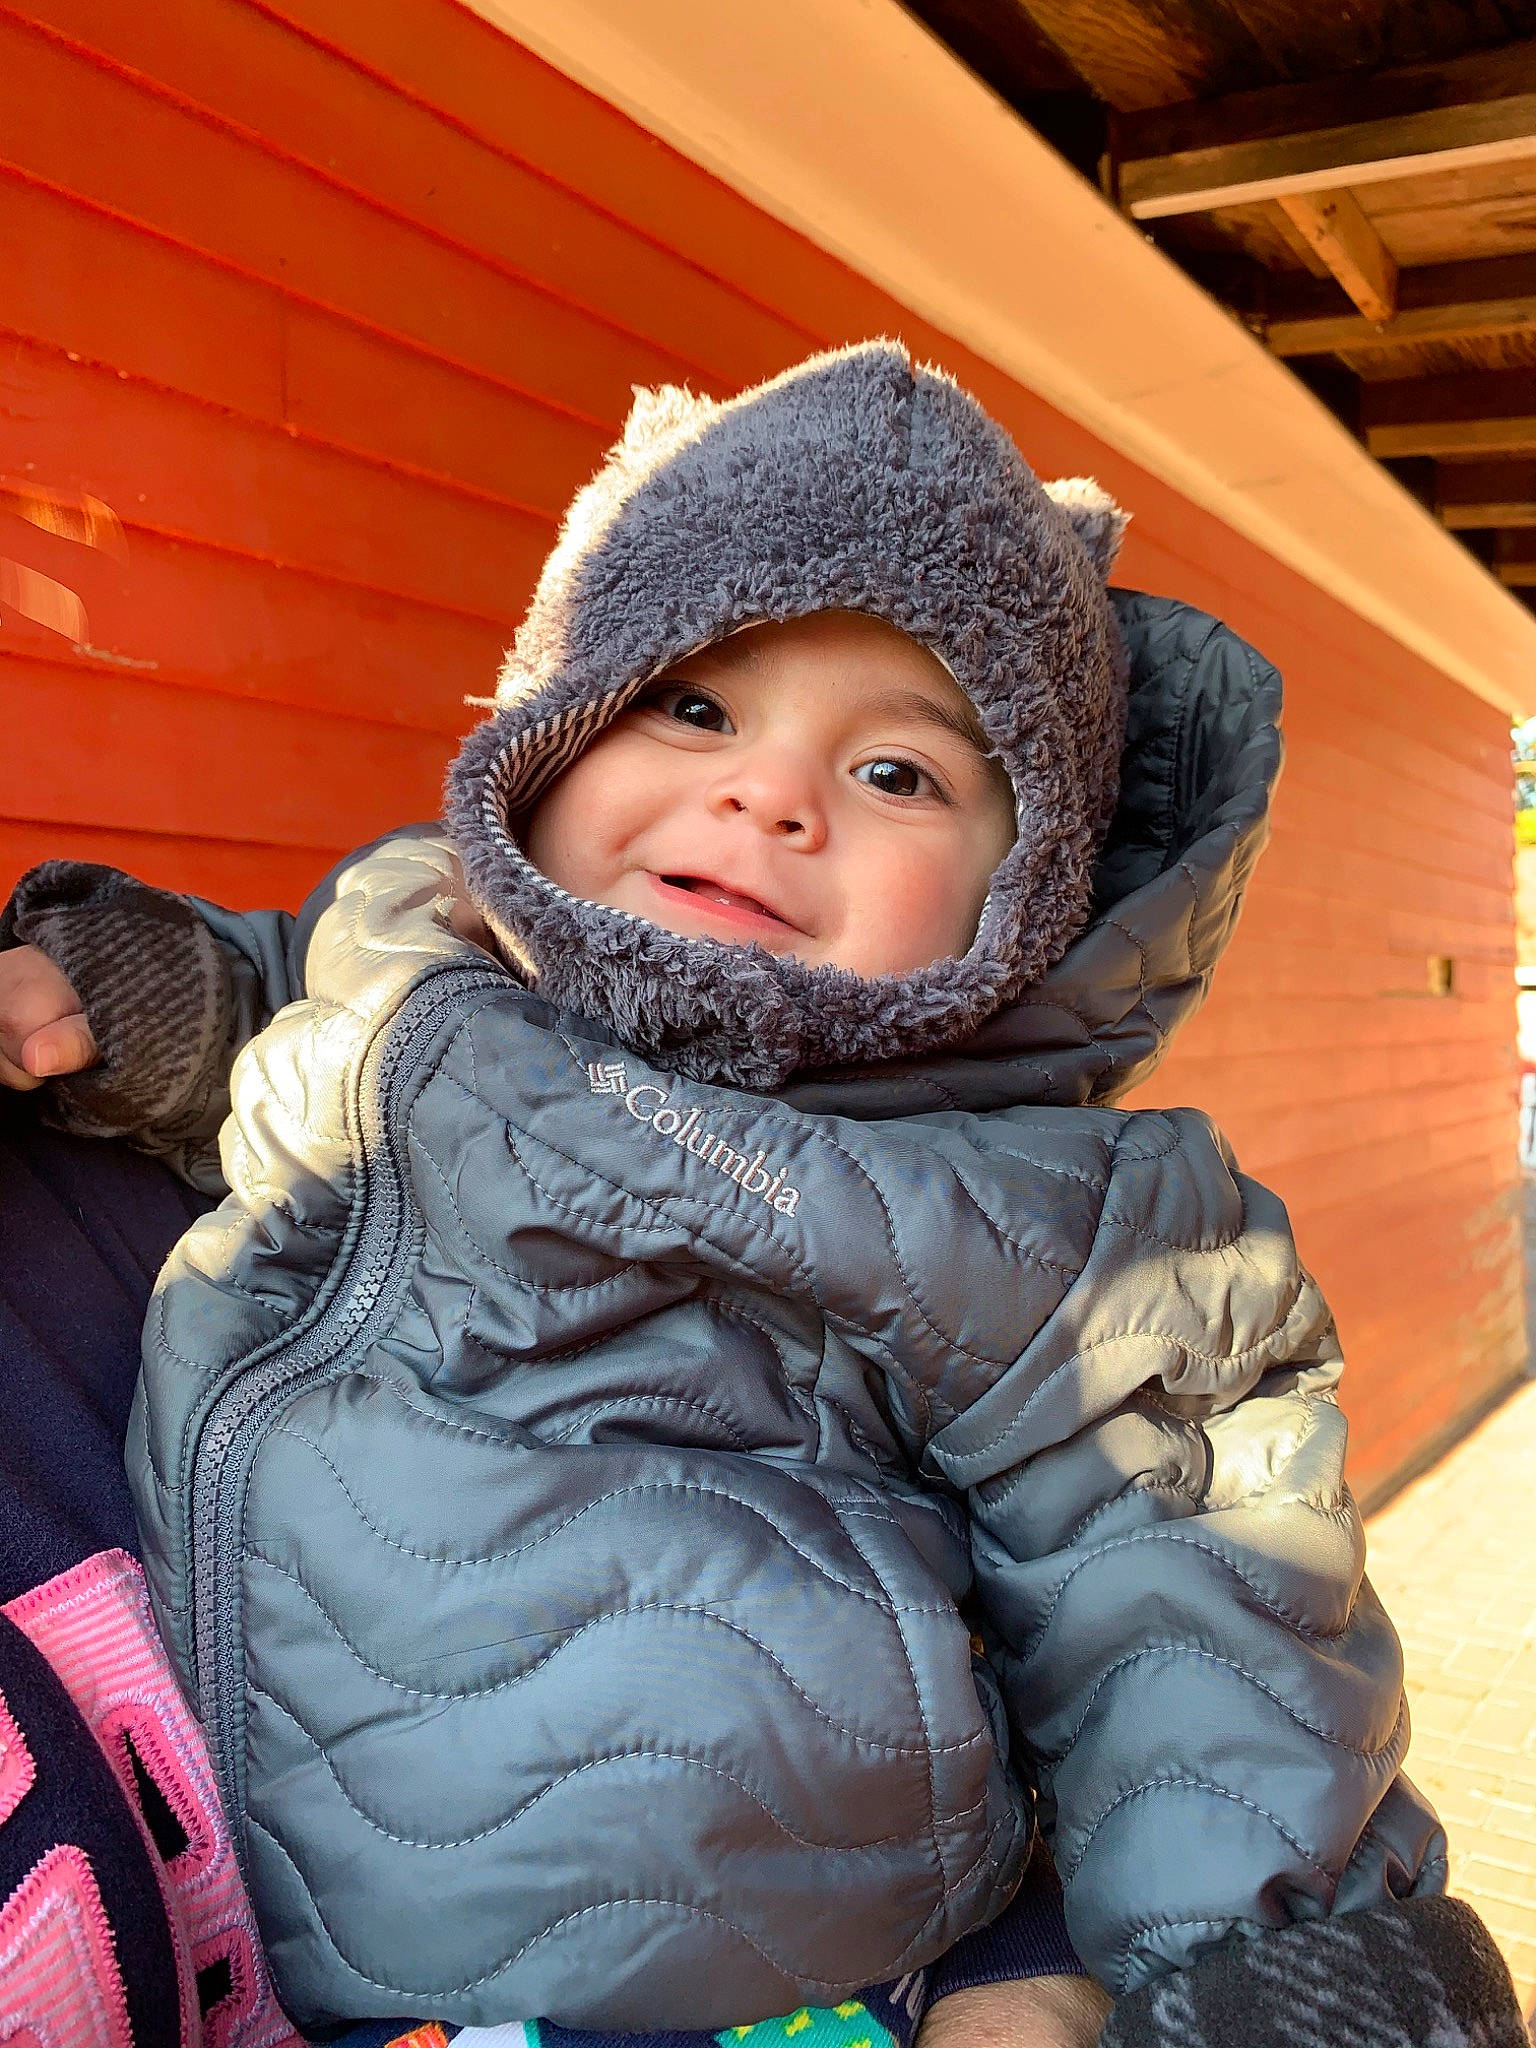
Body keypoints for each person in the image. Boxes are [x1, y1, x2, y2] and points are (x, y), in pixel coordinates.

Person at [0, 342, 1526, 2048]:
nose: (771, 793)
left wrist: (1286, 1965)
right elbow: (271, 1001)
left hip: (736, 1975)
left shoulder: (1033, 1209)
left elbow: (1191, 1588)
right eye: (696, 707)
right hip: (290, 1911)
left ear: (1023, 899)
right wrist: (136, 995)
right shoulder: (408, 955)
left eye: (899, 775)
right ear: (550, 734)